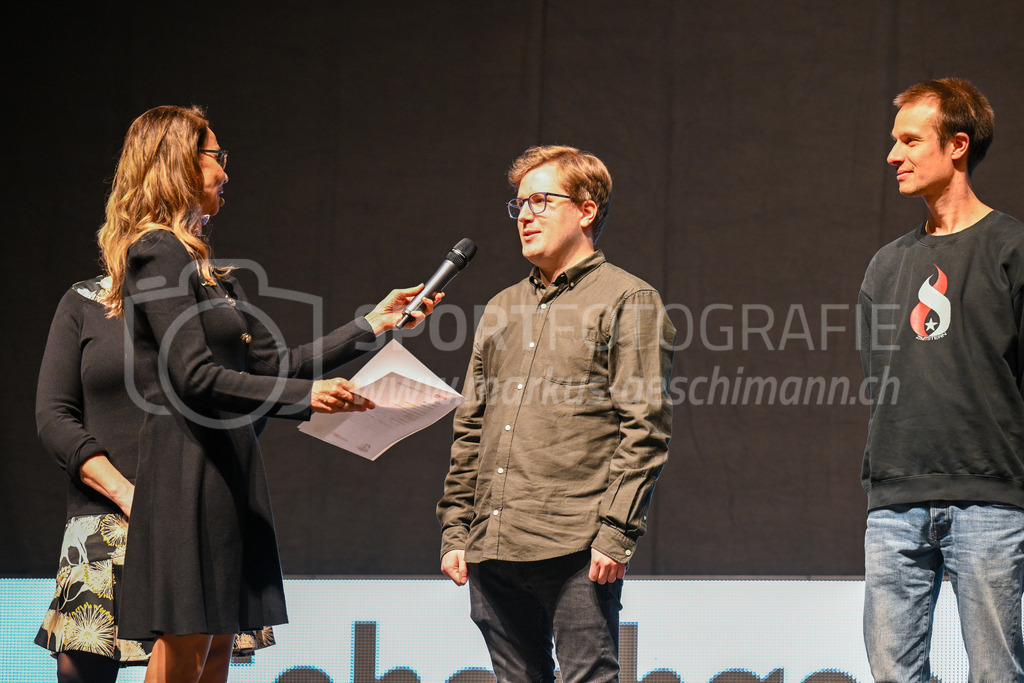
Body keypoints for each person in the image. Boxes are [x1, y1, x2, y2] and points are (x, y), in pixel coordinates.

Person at [96, 105, 438, 683]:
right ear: (177, 161)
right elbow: (194, 378)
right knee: (187, 645)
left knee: (219, 647)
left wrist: (373, 324)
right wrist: (306, 398)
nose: (225, 172)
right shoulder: (156, 251)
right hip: (188, 472)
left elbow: (273, 365)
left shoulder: (209, 272)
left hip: (229, 474)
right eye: (215, 156)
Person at [436, 145, 674, 682]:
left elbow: (645, 429)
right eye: (518, 204)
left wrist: (616, 533)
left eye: (541, 201)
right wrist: (456, 528)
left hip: (575, 545)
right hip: (493, 543)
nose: (524, 215)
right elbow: (470, 427)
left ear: (586, 210)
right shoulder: (501, 307)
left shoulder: (627, 299)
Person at [859, 77, 1024, 681]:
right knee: (893, 673)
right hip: (896, 504)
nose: (892, 155)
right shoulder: (887, 265)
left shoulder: (1012, 249)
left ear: (957, 145)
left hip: (990, 501)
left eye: (909, 140)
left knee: (995, 673)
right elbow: (880, 379)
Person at [34, 275, 274, 683]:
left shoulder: (220, 297)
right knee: (84, 670)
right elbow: (54, 417)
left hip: (196, 515)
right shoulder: (83, 301)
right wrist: (128, 495)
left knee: (197, 666)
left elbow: (256, 391)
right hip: (107, 518)